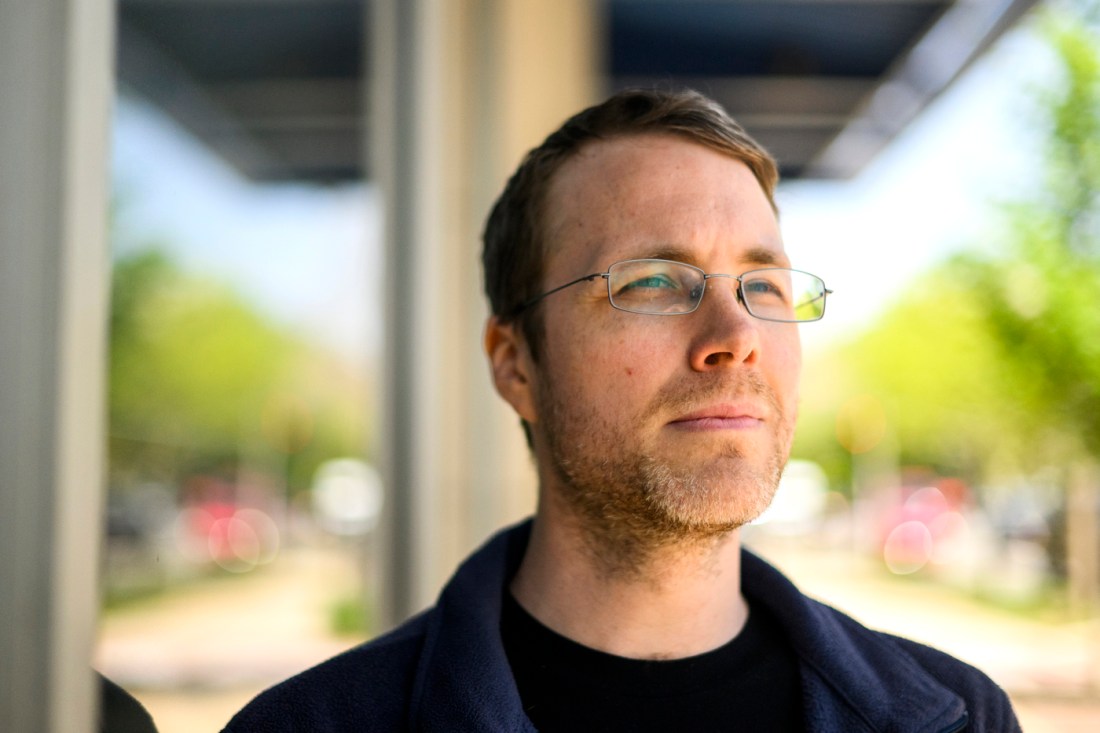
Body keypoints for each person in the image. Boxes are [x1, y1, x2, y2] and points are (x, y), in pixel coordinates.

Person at [223, 89, 1020, 732]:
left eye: (766, 286)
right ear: (515, 363)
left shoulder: (961, 715)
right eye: (652, 282)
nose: (736, 337)